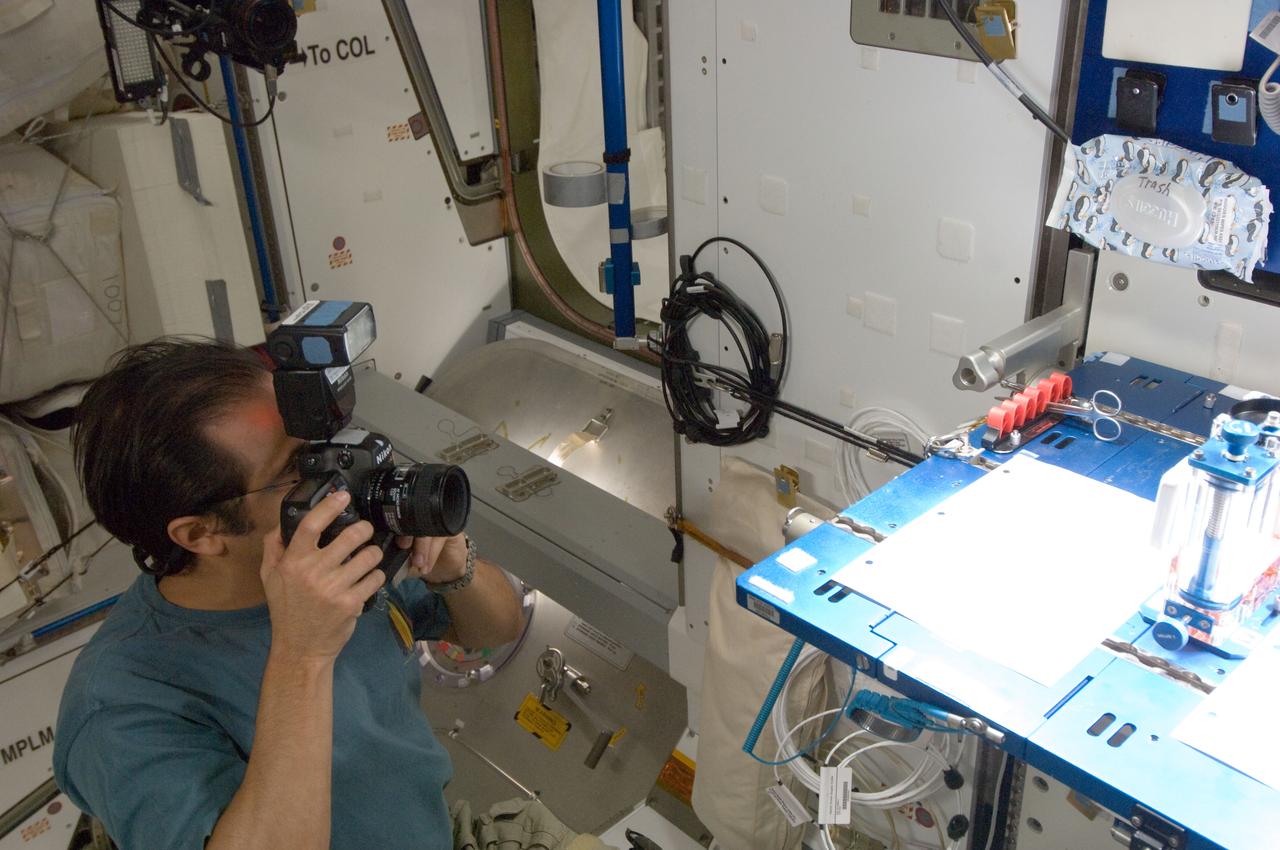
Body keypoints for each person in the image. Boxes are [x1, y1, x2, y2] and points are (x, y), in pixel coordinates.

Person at [52, 339, 526, 850]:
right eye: (298, 470)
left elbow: (496, 630)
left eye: (325, 447)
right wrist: (303, 654)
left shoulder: (335, 549)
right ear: (200, 534)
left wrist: (454, 566)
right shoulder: (120, 704)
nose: (343, 479)